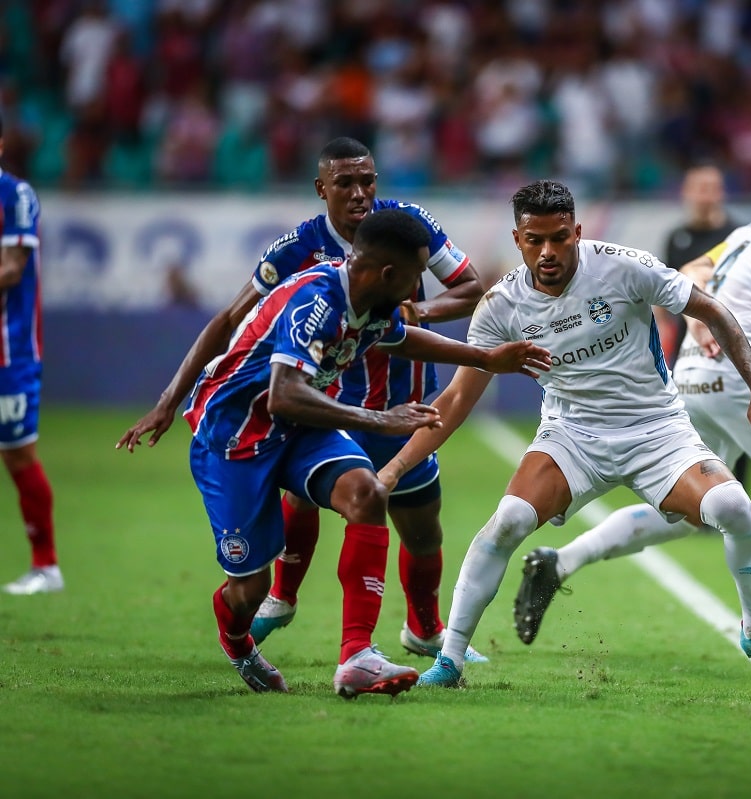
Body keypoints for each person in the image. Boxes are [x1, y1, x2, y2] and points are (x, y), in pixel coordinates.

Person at [375, 179, 751, 688]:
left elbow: (710, 308)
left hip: (657, 429)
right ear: (517, 239)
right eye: (535, 241)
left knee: (733, 509)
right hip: (571, 435)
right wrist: (396, 467)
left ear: (576, 232)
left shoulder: (625, 266)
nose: (548, 252)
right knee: (506, 523)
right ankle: (450, 661)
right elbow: (457, 400)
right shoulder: (501, 306)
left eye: (559, 238)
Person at [511, 163, 751, 667]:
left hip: (696, 373)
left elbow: (693, 271)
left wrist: (701, 331)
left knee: (683, 515)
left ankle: (560, 561)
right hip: (745, 375)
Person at [117, 137, 489, 662]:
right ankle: (282, 599)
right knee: (311, 496)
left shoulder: (406, 225)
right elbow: (228, 320)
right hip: (321, 404)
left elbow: (471, 289)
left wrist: (413, 314)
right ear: (322, 189)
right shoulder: (299, 251)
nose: (360, 193)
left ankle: (419, 630)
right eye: (345, 183)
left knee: (421, 525)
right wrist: (168, 398)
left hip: (404, 401)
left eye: (368, 181)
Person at [180, 209, 549, 696]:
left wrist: (484, 357)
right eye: (418, 276)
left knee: (367, 493)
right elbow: (282, 394)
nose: (422, 287)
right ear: (391, 274)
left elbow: (399, 338)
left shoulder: (372, 298)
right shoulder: (317, 302)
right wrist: (380, 419)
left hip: (299, 429)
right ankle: (238, 641)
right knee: (246, 591)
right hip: (236, 439)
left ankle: (356, 654)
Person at [661, 164, 750, 489]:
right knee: (687, 425)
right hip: (686, 347)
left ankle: (735, 499)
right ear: (686, 192)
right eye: (698, 187)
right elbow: (664, 291)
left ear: (721, 192)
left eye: (711, 187)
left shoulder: (737, 237)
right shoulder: (677, 238)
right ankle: (698, 498)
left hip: (728, 346)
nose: (704, 195)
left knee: (735, 425)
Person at [0, 115, 61, 596]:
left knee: (19, 456)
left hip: (10, 350)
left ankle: (46, 565)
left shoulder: (15, 195)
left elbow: (11, 268)